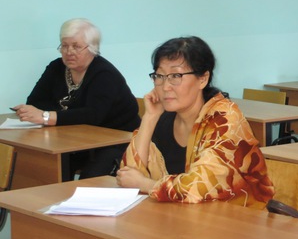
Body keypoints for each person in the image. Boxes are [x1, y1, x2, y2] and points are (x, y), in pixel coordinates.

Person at [116, 36, 274, 207]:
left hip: (235, 217)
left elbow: (197, 188)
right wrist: (150, 117)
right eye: (159, 76)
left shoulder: (225, 120)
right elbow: (128, 175)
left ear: (203, 79)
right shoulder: (163, 117)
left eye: (175, 76)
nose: (165, 86)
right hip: (181, 214)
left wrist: (146, 184)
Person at [12, 18, 140, 179]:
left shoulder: (104, 74)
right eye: (64, 45)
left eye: (76, 46)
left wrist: (47, 116)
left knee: (90, 179)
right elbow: (35, 101)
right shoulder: (56, 67)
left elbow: (93, 115)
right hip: (74, 139)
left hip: (117, 142)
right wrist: (52, 115)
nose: (69, 52)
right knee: (42, 164)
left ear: (92, 48)